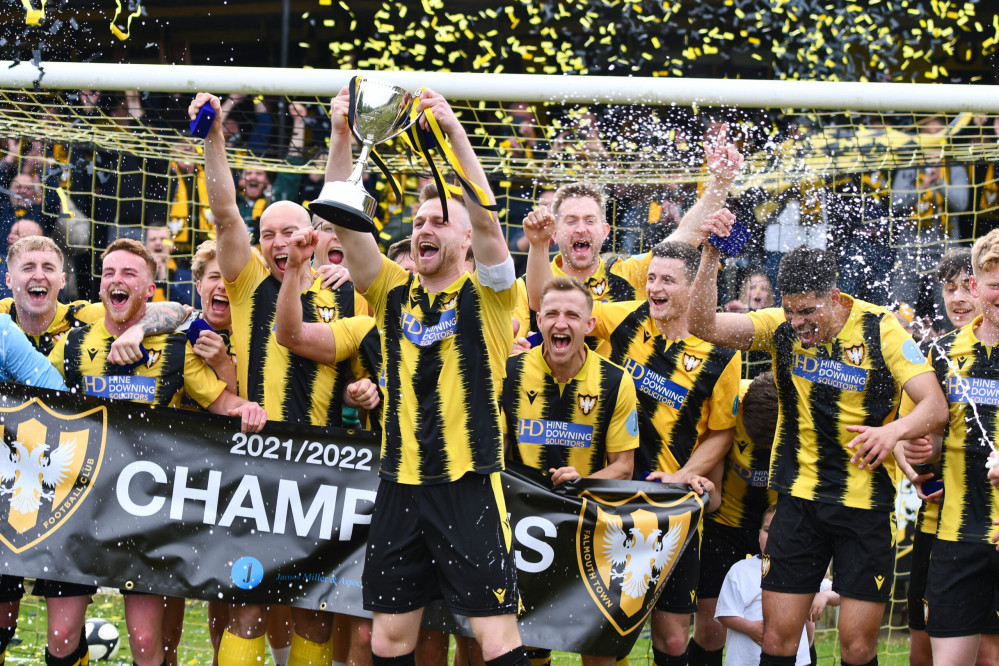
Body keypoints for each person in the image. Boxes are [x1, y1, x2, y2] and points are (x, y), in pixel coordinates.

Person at [687, 208, 949, 666]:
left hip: (865, 506)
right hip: (798, 502)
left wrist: (893, 431)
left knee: (857, 646)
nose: (797, 322)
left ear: (835, 297)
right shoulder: (781, 328)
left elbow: (933, 405)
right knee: (778, 640)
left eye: (807, 311)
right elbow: (701, 325)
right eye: (789, 310)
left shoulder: (879, 328)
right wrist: (710, 255)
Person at [325, 85, 530, 666]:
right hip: (399, 481)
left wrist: (455, 135)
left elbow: (491, 225)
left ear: (463, 240)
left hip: (467, 481)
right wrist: (343, 135)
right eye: (418, 220)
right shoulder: (392, 287)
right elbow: (344, 224)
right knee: (388, 639)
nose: (425, 229)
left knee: (495, 639)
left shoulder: (489, 293)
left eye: (440, 220)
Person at [192, 91, 365, 666]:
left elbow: (340, 206)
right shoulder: (244, 281)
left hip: (319, 460)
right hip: (254, 455)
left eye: (291, 233)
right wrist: (215, 139)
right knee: (247, 598)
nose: (278, 243)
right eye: (269, 234)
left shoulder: (339, 295)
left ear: (311, 240)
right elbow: (223, 214)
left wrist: (341, 132)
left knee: (313, 605)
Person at [47, 238, 266, 666]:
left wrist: (249, 408)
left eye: (129, 274)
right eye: (109, 273)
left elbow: (223, 404)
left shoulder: (176, 346)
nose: (116, 280)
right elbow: (32, 399)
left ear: (151, 291)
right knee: (59, 633)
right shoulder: (72, 344)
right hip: (76, 510)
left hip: (145, 514)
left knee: (148, 642)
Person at [0, 234, 189, 666]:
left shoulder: (84, 318)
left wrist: (139, 327)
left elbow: (179, 311)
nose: (38, 276)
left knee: (88, 633)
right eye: (27, 268)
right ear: (9, 280)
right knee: (5, 622)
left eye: (48, 268)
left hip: (80, 494)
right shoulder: (2, 323)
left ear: (62, 280)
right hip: (14, 490)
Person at [903, 228, 999, 666]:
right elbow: (917, 434)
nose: (961, 296)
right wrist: (919, 456)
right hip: (953, 531)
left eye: (969, 285)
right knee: (933, 649)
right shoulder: (942, 353)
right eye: (992, 283)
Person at [693, 371, 779, 666]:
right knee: (712, 630)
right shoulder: (729, 399)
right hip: (725, 523)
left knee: (790, 625)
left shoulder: (803, 408)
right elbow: (713, 501)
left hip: (778, 527)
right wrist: (707, 492)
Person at [715, 507, 816, 666]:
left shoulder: (801, 569)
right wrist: (751, 628)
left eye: (782, 530)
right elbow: (724, 614)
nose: (774, 536)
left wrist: (822, 597)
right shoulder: (740, 571)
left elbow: (835, 594)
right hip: (747, 661)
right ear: (759, 534)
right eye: (768, 530)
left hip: (796, 660)